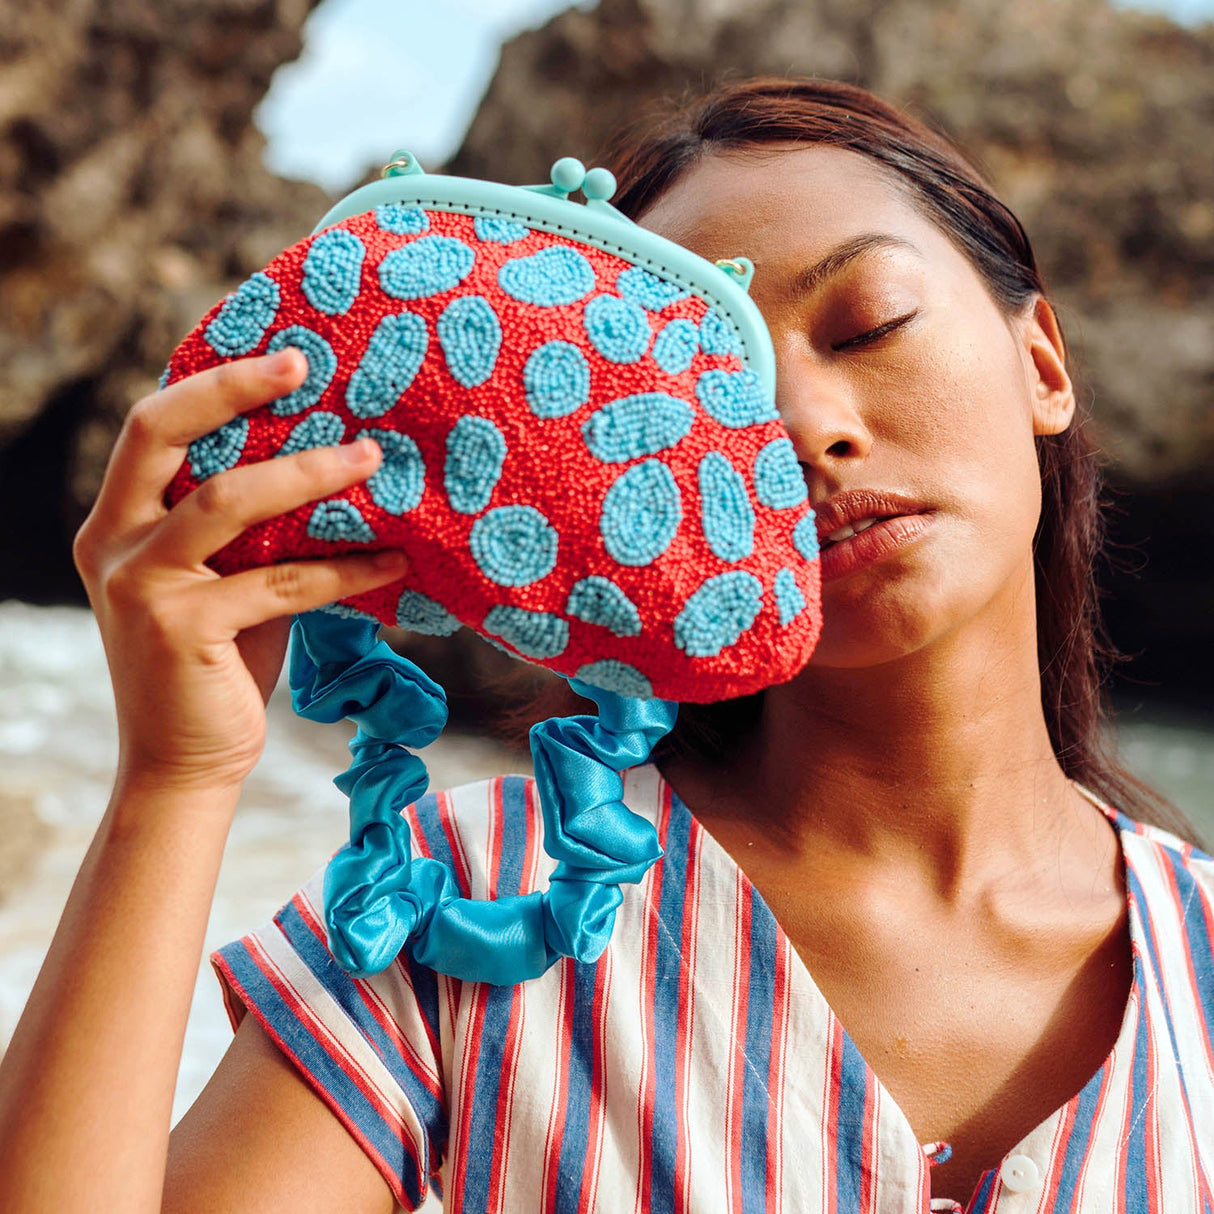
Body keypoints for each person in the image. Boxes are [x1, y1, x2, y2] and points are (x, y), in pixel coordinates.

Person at [0, 76, 1209, 1214]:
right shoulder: (467, 909)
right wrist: (173, 781)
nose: (800, 427)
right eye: (716, 391)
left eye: (868, 323)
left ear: (1039, 361)